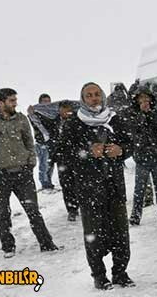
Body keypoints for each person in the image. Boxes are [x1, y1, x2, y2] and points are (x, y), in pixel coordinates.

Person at [58, 82, 134, 290]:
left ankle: (120, 273)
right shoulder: (74, 123)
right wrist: (87, 150)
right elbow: (63, 153)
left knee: (120, 233)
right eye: (89, 95)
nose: (94, 98)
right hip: (89, 189)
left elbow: (130, 144)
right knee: (94, 236)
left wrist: (121, 150)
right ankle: (99, 276)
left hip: (115, 186)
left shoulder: (114, 118)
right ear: (83, 99)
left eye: (97, 94)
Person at [0, 88, 58, 258]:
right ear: (1, 103)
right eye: (11, 100)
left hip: (23, 174)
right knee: (4, 213)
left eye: (15, 100)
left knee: (33, 210)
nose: (15, 103)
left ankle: (46, 243)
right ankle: (8, 247)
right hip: (1, 176)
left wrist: (30, 163)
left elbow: (29, 142)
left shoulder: (21, 119)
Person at [129, 86, 157, 225]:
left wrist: (149, 115)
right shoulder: (133, 114)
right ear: (137, 101)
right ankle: (135, 216)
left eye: (146, 98)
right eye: (141, 99)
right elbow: (134, 133)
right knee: (139, 188)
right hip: (141, 157)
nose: (144, 101)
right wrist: (142, 115)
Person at [49, 100, 81, 222]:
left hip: (76, 158)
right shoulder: (54, 122)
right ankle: (72, 210)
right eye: (64, 109)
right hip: (61, 159)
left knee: (78, 184)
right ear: (60, 110)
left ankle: (80, 205)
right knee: (66, 185)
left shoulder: (77, 121)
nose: (66, 112)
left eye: (68, 109)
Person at [29, 93, 56, 190]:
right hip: (41, 143)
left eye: (48, 101)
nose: (47, 104)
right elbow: (35, 124)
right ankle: (44, 183)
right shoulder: (35, 113)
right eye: (44, 101)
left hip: (51, 142)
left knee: (50, 164)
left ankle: (49, 182)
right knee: (44, 164)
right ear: (40, 102)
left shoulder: (52, 113)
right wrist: (32, 112)